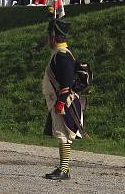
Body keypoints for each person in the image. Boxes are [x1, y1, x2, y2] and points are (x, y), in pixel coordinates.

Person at [42, 18, 83, 181]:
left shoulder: (62, 55)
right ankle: (63, 167)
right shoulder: (59, 54)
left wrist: (60, 102)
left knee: (63, 135)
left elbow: (66, 82)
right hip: (60, 99)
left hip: (64, 101)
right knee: (62, 135)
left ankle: (64, 170)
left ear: (54, 37)